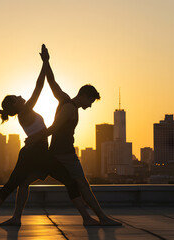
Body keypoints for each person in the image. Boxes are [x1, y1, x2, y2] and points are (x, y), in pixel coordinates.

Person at [0, 45, 99, 227]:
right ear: (14, 102)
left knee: (17, 184)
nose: (20, 95)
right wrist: (44, 63)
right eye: (16, 96)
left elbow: (47, 83)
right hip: (40, 154)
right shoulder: (26, 110)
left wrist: (46, 63)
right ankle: (86, 218)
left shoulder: (24, 113)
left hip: (30, 153)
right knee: (69, 181)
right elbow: (40, 86)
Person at [26, 45, 122, 226]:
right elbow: (54, 128)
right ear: (84, 96)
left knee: (31, 181)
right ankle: (101, 218)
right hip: (65, 155)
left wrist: (46, 61)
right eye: (91, 101)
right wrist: (35, 138)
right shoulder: (70, 108)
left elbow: (51, 81)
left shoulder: (64, 99)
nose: (90, 106)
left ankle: (92, 218)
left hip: (54, 153)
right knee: (82, 185)